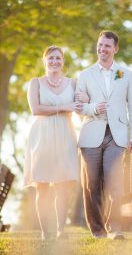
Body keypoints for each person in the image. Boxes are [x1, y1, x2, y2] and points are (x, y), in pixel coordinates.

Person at [76, 31, 132, 239]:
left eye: (107, 46)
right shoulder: (84, 75)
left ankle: (115, 228)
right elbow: (78, 107)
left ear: (115, 49)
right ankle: (97, 230)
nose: (102, 49)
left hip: (117, 135)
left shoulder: (125, 73)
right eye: (100, 45)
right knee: (92, 184)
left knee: (114, 180)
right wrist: (94, 107)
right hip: (90, 135)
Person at [23, 45, 87, 240]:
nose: (54, 61)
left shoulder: (73, 83)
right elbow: (36, 109)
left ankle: (61, 230)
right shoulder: (36, 83)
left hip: (66, 135)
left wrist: (83, 101)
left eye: (58, 58)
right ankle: (45, 232)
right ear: (45, 61)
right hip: (42, 137)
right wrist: (64, 107)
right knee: (42, 187)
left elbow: (80, 107)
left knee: (62, 186)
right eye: (51, 58)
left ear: (63, 61)